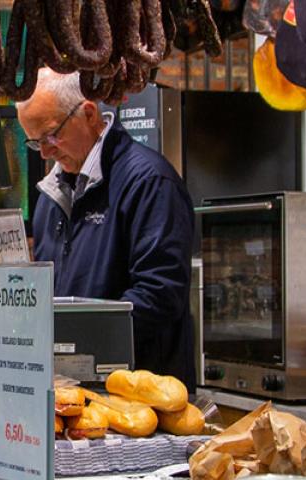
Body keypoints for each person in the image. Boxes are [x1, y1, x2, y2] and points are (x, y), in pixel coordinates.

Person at [19, 69, 199, 385]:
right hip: (73, 390)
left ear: (89, 114)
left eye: (50, 136)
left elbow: (159, 294)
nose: (46, 153)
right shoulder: (51, 196)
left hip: (140, 393)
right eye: (35, 143)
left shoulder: (149, 182)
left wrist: (74, 340)